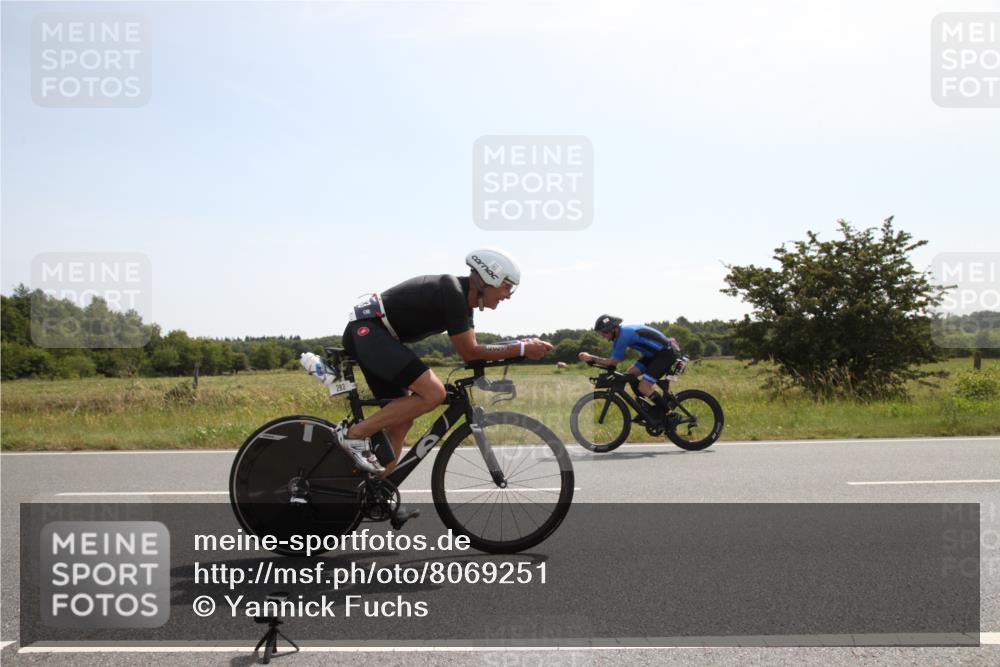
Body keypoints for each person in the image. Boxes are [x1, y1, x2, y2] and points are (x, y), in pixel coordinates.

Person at [337, 249, 553, 492]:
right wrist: (521, 348)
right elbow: (470, 352)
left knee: (400, 424)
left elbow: (477, 351)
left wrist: (518, 347)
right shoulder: (451, 291)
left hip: (378, 335)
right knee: (433, 393)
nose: (508, 296)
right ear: (488, 278)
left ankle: (374, 492)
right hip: (368, 331)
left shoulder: (463, 303)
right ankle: (353, 435)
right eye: (507, 287)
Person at [577, 315, 685, 419]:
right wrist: (593, 359)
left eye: (603, 333)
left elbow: (612, 363)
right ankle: (647, 410)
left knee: (644, 387)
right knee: (630, 375)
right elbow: (612, 362)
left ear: (612, 329)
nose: (602, 336)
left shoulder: (623, 336)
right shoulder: (620, 336)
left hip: (665, 354)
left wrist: (592, 358)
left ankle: (671, 415)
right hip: (653, 355)